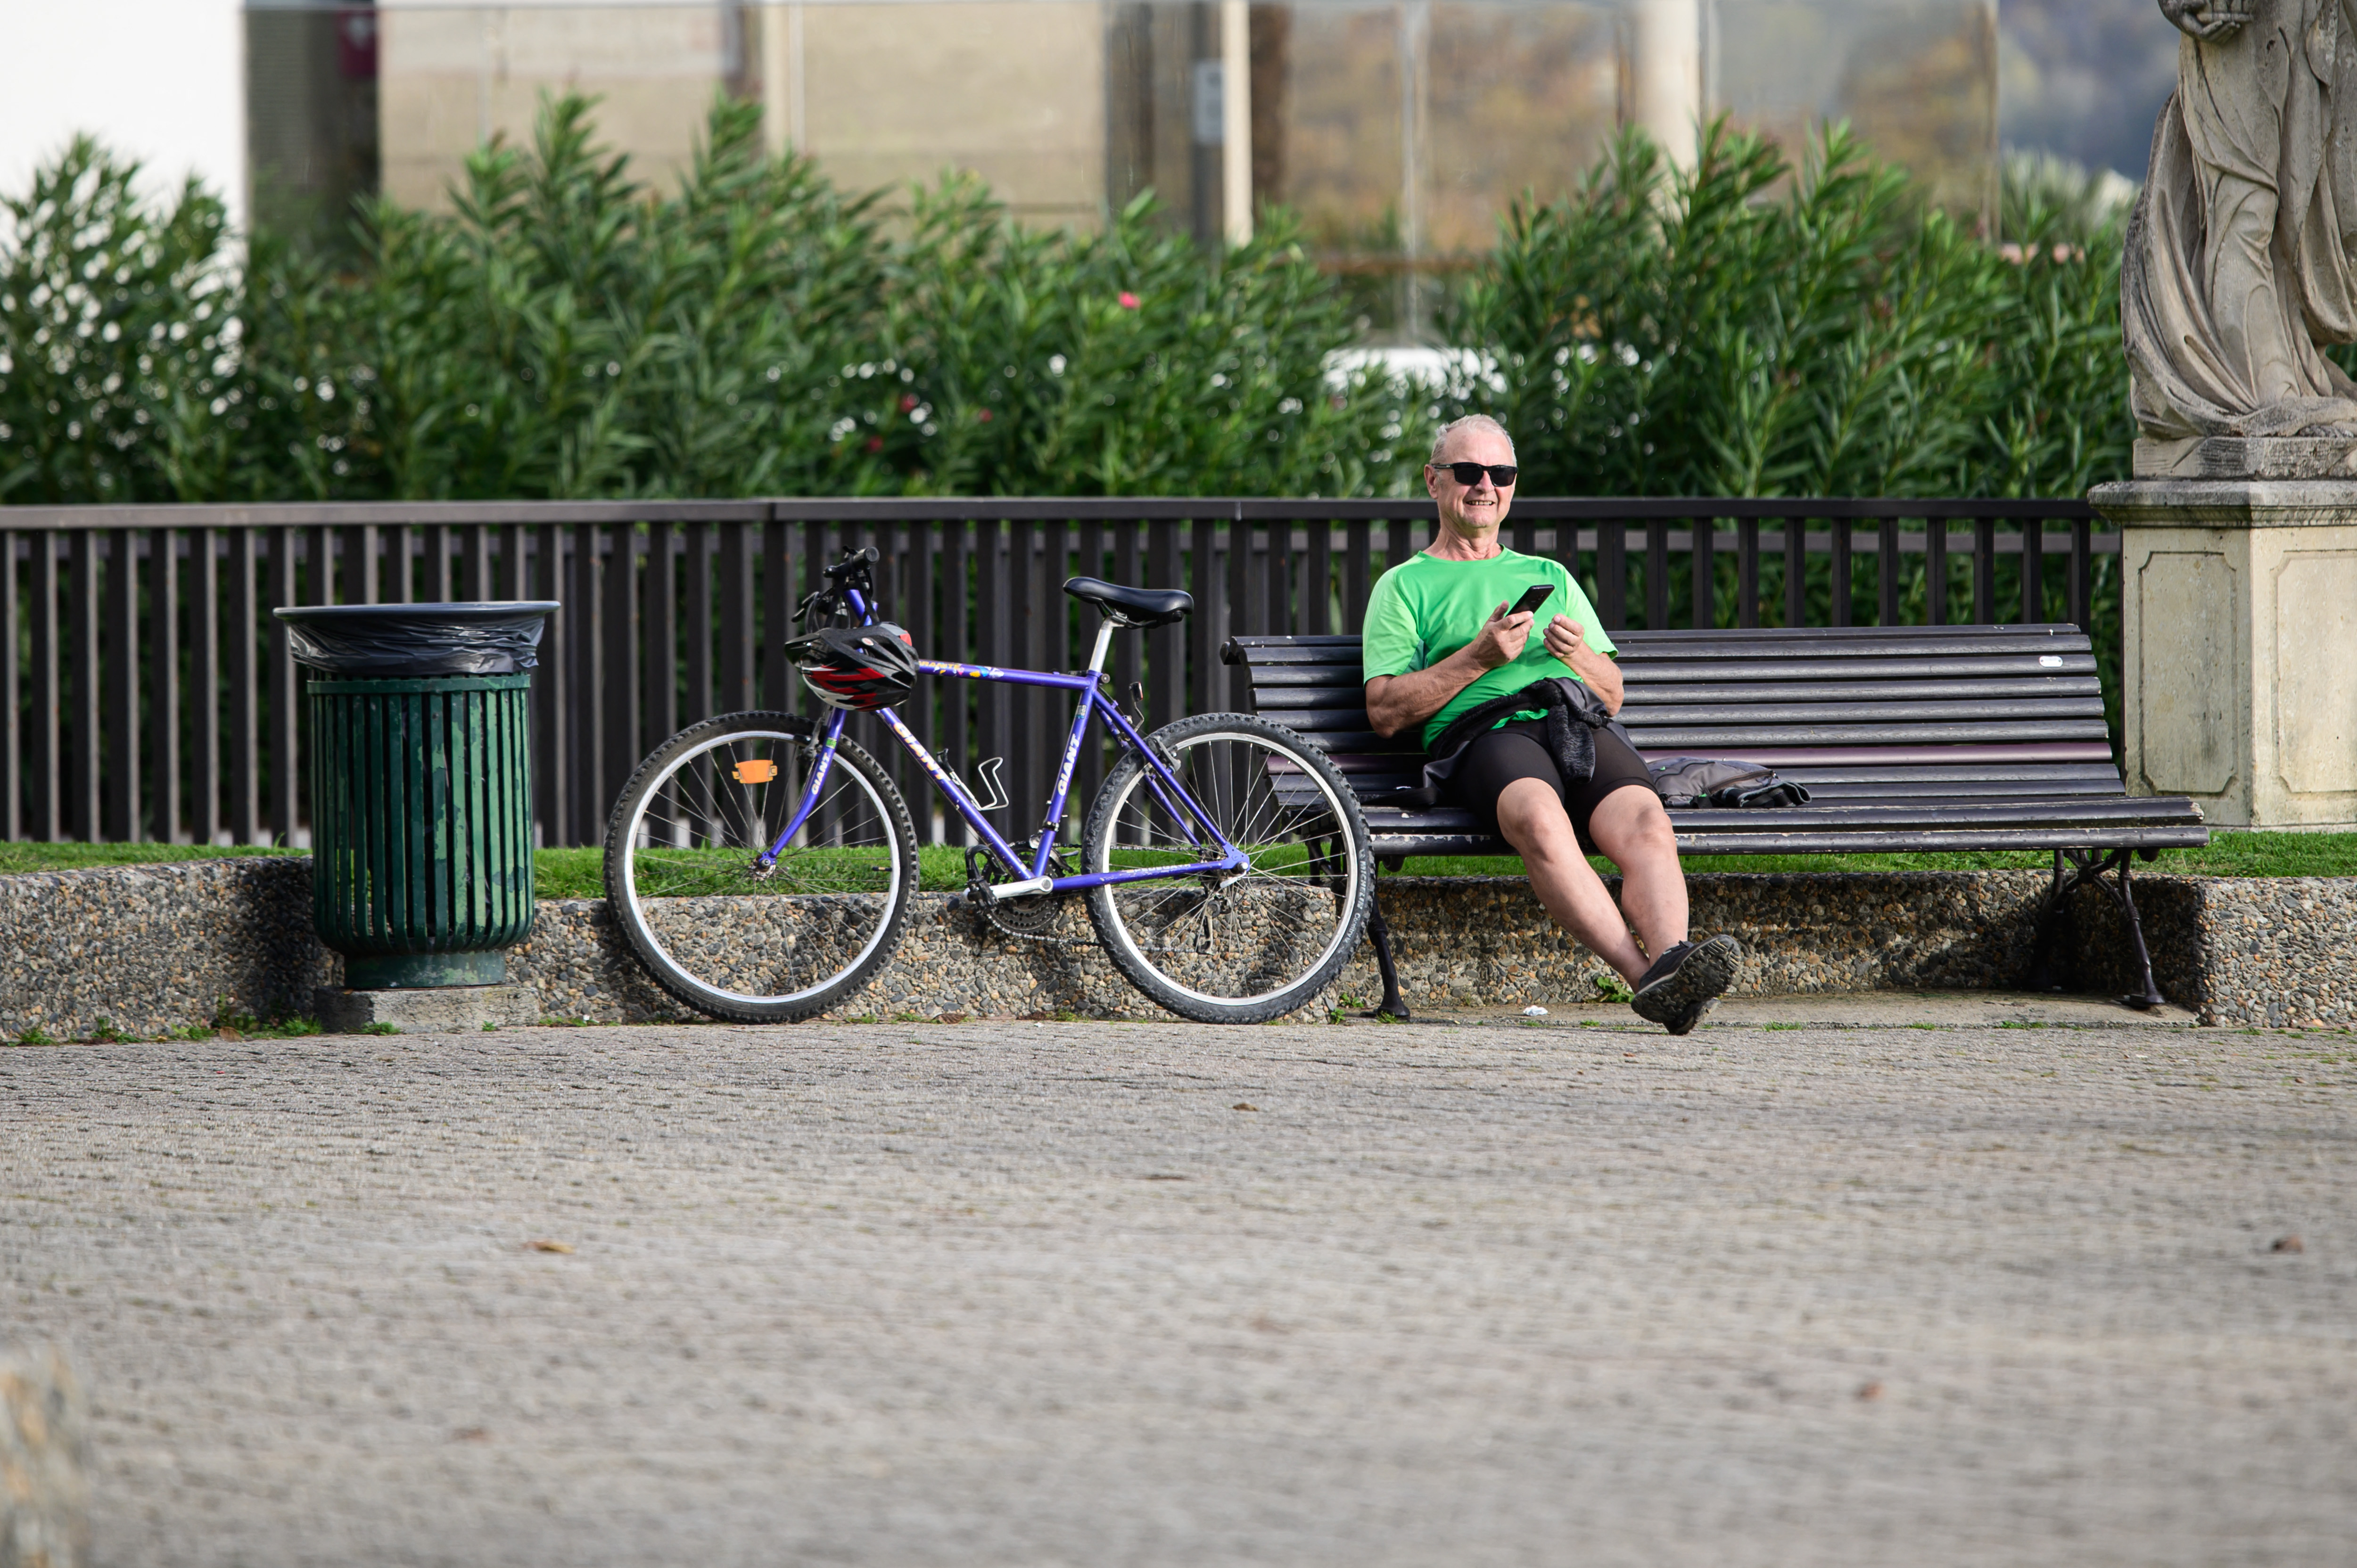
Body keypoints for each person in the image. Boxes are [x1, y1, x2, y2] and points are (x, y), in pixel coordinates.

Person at [1361, 415, 1740, 1034]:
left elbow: (1611, 693)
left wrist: (1578, 655)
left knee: (1646, 818)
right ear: (1434, 482)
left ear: (1513, 486)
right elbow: (1385, 710)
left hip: (1571, 716)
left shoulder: (1550, 577)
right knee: (1539, 817)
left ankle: (1673, 957)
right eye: (1469, 472)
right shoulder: (1403, 586)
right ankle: (1647, 980)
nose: (1485, 485)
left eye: (1501, 473)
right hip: (1484, 734)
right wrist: (1478, 658)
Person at [2125, 0, 2357, 440]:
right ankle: (2275, 394)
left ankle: (2291, 363)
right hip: (2239, 22)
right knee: (2246, 216)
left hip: (2317, 18)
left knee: (2300, 229)